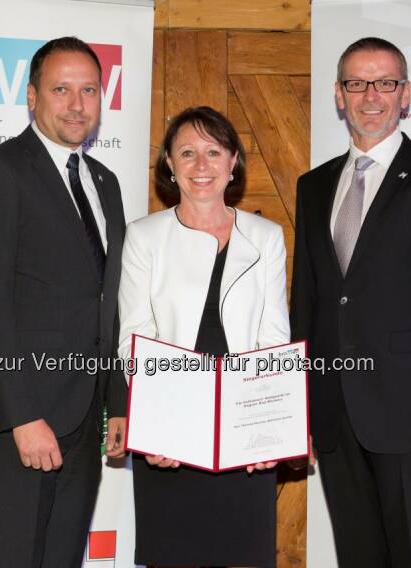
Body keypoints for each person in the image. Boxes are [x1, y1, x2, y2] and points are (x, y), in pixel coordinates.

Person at [290, 37, 411, 567]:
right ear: (338, 93)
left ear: (405, 94)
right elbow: (305, 306)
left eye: (385, 83)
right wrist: (298, 414)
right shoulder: (313, 187)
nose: (370, 95)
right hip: (335, 420)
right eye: (356, 83)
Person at [0, 36, 128, 567]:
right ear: (32, 97)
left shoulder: (105, 181)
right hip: (22, 420)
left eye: (89, 90)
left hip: (83, 417)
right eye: (61, 89)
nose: (78, 104)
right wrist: (22, 417)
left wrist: (118, 404)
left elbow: (111, 299)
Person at [117, 105, 289, 567]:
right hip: (169, 436)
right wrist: (158, 427)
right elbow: (134, 336)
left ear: (233, 160)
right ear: (169, 164)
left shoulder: (266, 236)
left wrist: (268, 433)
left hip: (245, 435)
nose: (201, 165)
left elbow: (274, 337)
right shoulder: (144, 236)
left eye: (213, 151)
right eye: (187, 152)